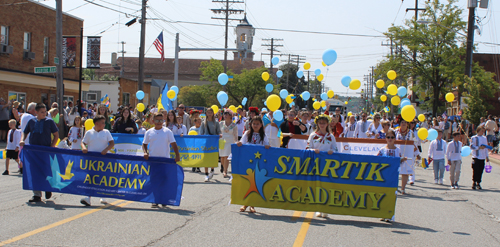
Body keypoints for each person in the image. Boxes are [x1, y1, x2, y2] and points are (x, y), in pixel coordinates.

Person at [20, 103, 59, 202]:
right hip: (33, 151)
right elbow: (25, 132)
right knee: (34, 172)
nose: (44, 113)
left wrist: (52, 146)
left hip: (45, 150)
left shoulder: (49, 122)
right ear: (36, 112)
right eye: (41, 112)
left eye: (45, 111)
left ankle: (47, 188)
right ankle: (37, 195)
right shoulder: (31, 121)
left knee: (46, 170)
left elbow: (56, 135)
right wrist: (22, 140)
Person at [143, 112, 180, 208]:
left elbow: (173, 144)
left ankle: (163, 199)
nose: (159, 122)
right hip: (153, 160)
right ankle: (155, 200)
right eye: (157, 120)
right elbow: (144, 144)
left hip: (165, 160)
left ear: (163, 121)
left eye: (161, 120)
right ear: (153, 121)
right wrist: (145, 152)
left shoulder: (167, 132)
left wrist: (177, 155)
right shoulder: (149, 132)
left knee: (164, 180)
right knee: (154, 180)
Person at [236, 116, 270, 213]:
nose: (255, 125)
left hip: (258, 163)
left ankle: (252, 204)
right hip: (248, 161)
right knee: (247, 182)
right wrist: (238, 143)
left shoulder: (264, 135)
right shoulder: (247, 133)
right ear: (251, 124)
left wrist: (267, 146)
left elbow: (267, 144)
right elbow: (241, 143)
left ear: (261, 125)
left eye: (257, 124)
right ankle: (245, 203)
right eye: (254, 124)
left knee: (255, 182)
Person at [80, 115, 115, 206]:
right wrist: (84, 148)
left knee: (102, 177)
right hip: (92, 160)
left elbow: (112, 143)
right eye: (102, 123)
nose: (104, 124)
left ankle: (102, 195)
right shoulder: (89, 133)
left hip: (103, 159)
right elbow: (83, 142)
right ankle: (88, 197)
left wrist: (106, 150)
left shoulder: (106, 132)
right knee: (91, 178)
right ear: (96, 123)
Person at [307, 114, 337, 218]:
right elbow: (307, 148)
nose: (322, 125)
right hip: (315, 164)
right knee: (316, 186)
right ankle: (318, 208)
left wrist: (331, 151)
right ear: (317, 124)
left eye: (324, 123)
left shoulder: (331, 136)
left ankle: (325, 208)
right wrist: (313, 151)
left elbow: (336, 150)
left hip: (328, 165)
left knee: (326, 186)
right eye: (320, 123)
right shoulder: (313, 135)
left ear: (327, 123)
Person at [377, 129, 407, 221]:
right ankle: (383, 213)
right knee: (383, 194)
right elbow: (377, 160)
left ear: (395, 139)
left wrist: (402, 160)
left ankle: (391, 214)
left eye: (392, 137)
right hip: (383, 176)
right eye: (388, 137)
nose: (390, 139)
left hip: (393, 176)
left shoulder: (398, 150)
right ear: (385, 138)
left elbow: (399, 163)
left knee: (392, 194)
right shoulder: (382, 150)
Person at [396, 119, 421, 188]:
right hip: (398, 153)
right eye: (402, 122)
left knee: (405, 172)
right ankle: (395, 186)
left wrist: (417, 153)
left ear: (407, 124)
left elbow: (414, 143)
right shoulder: (396, 132)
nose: (403, 123)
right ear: (400, 124)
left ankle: (403, 188)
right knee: (396, 171)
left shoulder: (411, 132)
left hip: (408, 153)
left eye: (405, 122)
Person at [200, 107, 221, 182]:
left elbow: (218, 131)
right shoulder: (203, 122)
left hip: (213, 142)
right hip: (206, 142)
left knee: (212, 157)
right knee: (206, 158)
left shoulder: (216, 122)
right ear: (206, 113)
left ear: (213, 113)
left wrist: (219, 135)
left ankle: (212, 170)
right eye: (208, 112)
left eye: (210, 112)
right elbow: (201, 132)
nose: (209, 113)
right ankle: (206, 174)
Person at [219, 110, 238, 178]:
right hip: (222, 141)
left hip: (230, 142)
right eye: (224, 114)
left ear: (230, 116)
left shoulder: (234, 125)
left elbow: (235, 135)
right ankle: (223, 167)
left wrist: (236, 142)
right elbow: (218, 131)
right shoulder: (221, 123)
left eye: (227, 114)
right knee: (222, 157)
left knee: (227, 156)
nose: (225, 115)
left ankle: (225, 171)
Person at [470, 126, 489, 190]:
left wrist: (487, 156)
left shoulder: (484, 138)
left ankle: (478, 182)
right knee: (475, 170)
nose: (482, 132)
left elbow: (486, 147)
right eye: (481, 131)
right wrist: (478, 148)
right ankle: (474, 182)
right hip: (476, 156)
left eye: (483, 131)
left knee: (480, 170)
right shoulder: (474, 138)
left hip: (482, 157)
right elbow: (472, 146)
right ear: (478, 131)